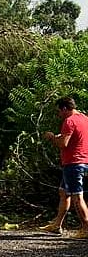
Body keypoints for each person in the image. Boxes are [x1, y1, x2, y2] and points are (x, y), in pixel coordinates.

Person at [39, 96, 88, 238]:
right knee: (63, 192)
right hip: (84, 162)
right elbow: (76, 138)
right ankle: (57, 225)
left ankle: (86, 228)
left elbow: (63, 144)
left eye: (59, 111)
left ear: (65, 108)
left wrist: (51, 137)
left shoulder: (69, 121)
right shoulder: (85, 118)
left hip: (74, 164)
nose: (58, 114)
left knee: (77, 197)